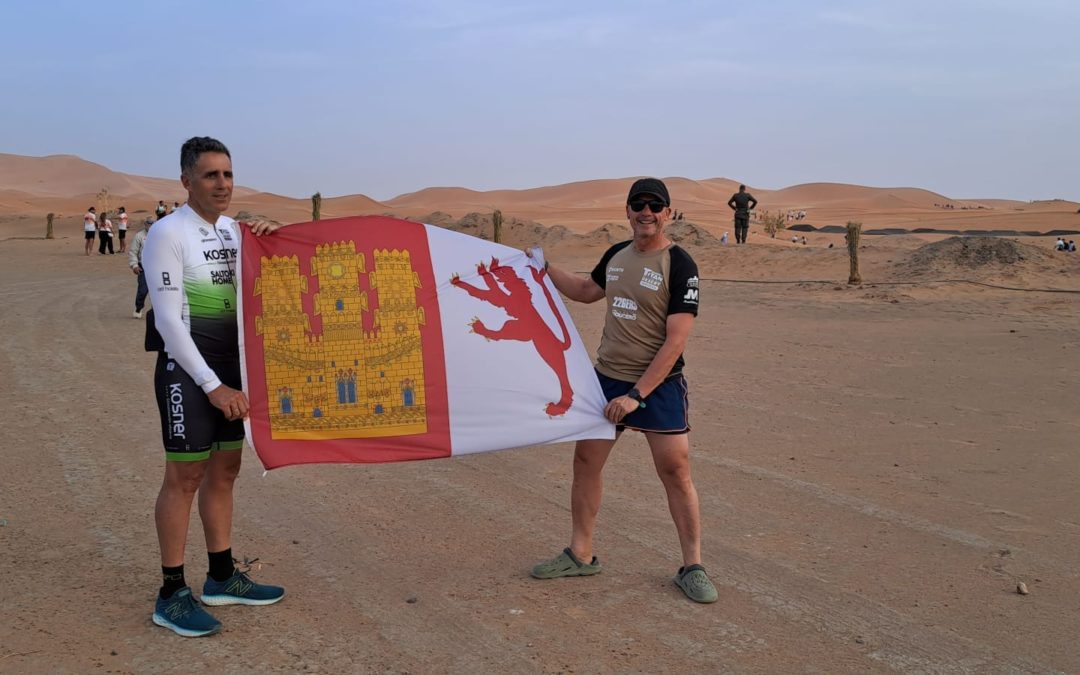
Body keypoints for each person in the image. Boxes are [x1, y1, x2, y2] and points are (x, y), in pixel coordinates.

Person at [529, 177, 717, 604]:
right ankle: (581, 554)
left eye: (655, 205)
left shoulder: (680, 264)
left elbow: (676, 341)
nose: (645, 212)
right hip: (606, 379)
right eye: (638, 204)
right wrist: (543, 269)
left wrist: (637, 395)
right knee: (586, 463)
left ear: (668, 213)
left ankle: (693, 566)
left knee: (675, 471)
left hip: (657, 385)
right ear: (627, 211)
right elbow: (586, 291)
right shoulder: (616, 255)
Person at [143, 136, 286, 637]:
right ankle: (171, 593)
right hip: (189, 372)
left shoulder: (235, 231)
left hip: (233, 367)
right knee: (184, 478)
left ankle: (222, 577)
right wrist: (210, 385)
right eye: (210, 175)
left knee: (225, 471)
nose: (222, 184)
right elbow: (167, 321)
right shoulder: (168, 233)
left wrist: (273, 237)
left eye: (227, 174)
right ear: (186, 181)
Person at [128, 216, 154, 319]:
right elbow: (133, 252)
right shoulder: (139, 236)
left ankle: (156, 312)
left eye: (152, 223)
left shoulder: (160, 235)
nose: (150, 225)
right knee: (143, 290)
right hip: (143, 266)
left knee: (159, 291)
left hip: (157, 267)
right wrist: (134, 265)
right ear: (145, 224)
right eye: (149, 223)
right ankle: (139, 307)